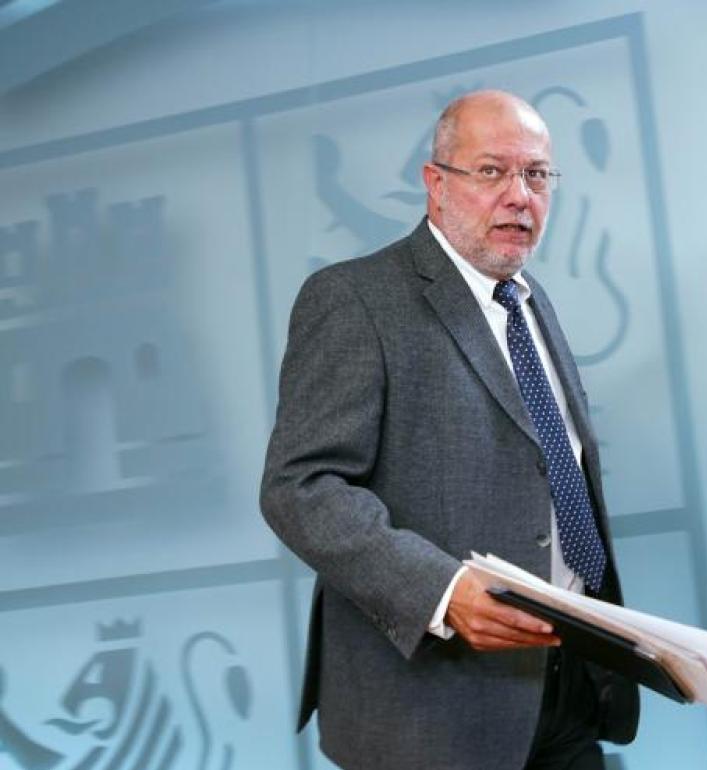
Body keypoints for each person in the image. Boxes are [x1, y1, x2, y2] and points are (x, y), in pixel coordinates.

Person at [260, 89, 639, 770]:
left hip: (566, 689)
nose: (520, 196)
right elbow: (301, 488)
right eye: (492, 171)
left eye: (537, 175)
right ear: (436, 184)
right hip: (433, 708)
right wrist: (440, 590)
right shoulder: (354, 299)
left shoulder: (529, 301)